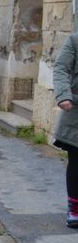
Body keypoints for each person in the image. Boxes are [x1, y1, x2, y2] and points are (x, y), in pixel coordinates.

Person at [51, 34, 78, 228]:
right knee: (76, 160)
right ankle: (75, 208)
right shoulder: (75, 40)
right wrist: (63, 95)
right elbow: (61, 67)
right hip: (76, 112)